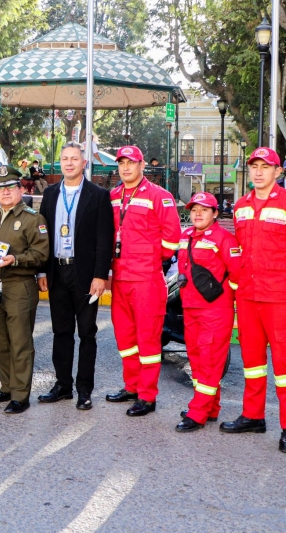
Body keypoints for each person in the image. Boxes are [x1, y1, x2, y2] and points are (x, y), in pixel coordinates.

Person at [221, 147, 286, 453]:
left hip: (279, 296)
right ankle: (253, 415)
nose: (259, 172)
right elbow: (238, 251)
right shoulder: (241, 205)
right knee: (252, 362)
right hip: (247, 295)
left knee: (285, 367)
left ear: (277, 172)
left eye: (266, 167)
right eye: (254, 167)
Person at [36, 142, 113, 411]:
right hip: (57, 270)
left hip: (85, 275)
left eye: (74, 159)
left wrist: (100, 276)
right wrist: (42, 271)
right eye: (65, 159)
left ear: (84, 163)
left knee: (87, 334)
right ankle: (63, 385)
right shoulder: (50, 194)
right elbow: (41, 236)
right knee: (61, 332)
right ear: (60, 163)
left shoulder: (98, 195)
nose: (69, 163)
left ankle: (84, 390)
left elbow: (105, 240)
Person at [105, 145, 181, 416]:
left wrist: (149, 259)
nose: (126, 168)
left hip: (147, 279)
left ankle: (147, 397)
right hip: (119, 278)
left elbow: (172, 238)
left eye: (131, 162)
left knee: (147, 340)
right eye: (121, 163)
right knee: (125, 337)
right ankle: (132, 387)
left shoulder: (160, 196)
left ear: (141, 166)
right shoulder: (113, 195)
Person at [0, 165, 48, 413]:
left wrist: (16, 259)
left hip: (19, 285)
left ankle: (21, 395)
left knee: (20, 342)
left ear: (19, 189)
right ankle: (6, 386)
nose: (5, 192)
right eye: (0, 188)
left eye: (9, 187)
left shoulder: (33, 219)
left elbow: (41, 253)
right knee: (0, 341)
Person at [175, 192, 241, 432]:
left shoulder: (225, 239)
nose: (198, 214)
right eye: (194, 210)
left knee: (210, 359)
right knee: (196, 358)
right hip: (190, 307)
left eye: (204, 209)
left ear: (215, 213)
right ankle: (211, 407)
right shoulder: (186, 235)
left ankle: (198, 411)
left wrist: (227, 300)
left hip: (215, 310)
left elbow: (237, 274)